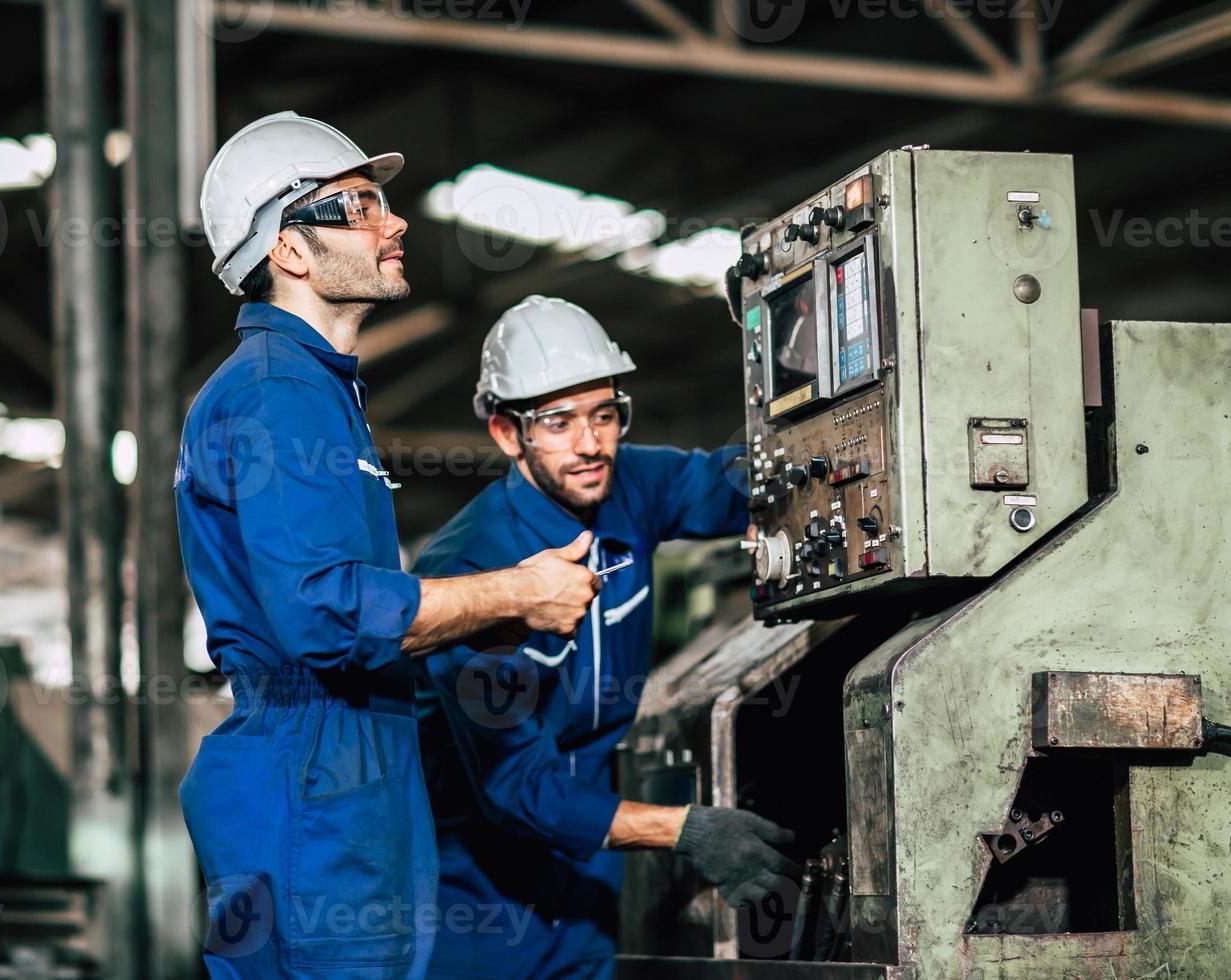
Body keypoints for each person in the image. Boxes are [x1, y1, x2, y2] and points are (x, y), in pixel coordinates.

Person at [176, 113, 601, 979]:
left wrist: (482, 621)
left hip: (339, 779)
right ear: (289, 250)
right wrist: (514, 591)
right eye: (359, 204)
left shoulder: (315, 390)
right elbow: (328, 614)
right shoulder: (279, 395)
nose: (393, 221)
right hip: (317, 789)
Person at [412, 295, 799, 978]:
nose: (590, 445)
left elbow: (734, 480)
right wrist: (686, 829)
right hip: (477, 890)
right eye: (558, 423)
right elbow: (516, 787)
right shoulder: (470, 573)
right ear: (508, 433)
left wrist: (831, 436)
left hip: (589, 870)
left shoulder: (628, 485)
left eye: (605, 415)